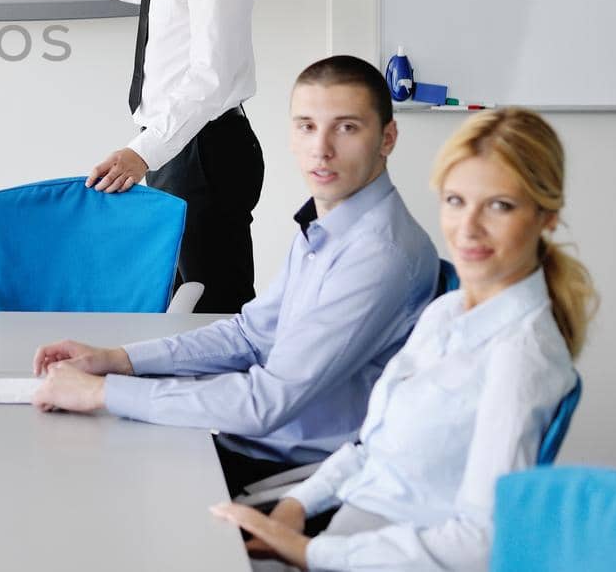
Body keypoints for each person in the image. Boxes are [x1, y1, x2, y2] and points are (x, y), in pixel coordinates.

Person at [31, 56, 439, 495]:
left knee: (82, 486)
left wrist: (101, 393)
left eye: (346, 128)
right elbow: (248, 334)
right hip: (250, 445)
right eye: (306, 126)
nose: (321, 148)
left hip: (295, 479)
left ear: (387, 138)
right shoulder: (330, 225)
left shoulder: (378, 254)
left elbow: (266, 401)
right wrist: (116, 360)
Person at [212, 107, 596, 570]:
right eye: (455, 200)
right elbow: (369, 448)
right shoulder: (448, 310)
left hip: (386, 553)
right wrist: (293, 512)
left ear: (546, 216)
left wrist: (310, 551)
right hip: (347, 529)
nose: (468, 227)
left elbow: (479, 541)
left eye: (500, 205)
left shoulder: (520, 357)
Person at [1, 0, 262, 311]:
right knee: (178, 309)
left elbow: (213, 74)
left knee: (215, 311)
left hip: (204, 151)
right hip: (179, 147)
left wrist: (143, 151)